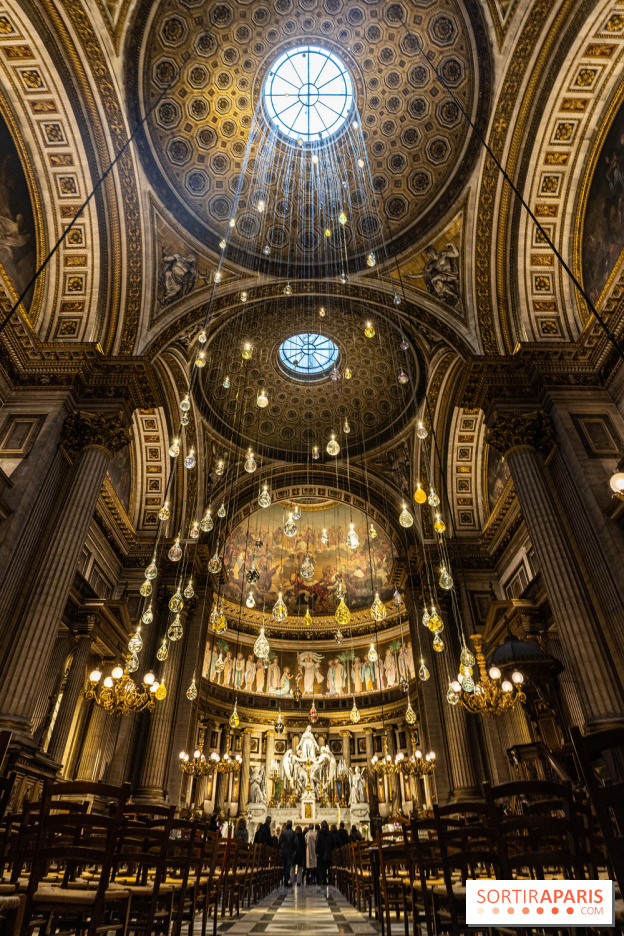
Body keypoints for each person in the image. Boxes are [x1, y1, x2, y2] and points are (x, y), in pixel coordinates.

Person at [279, 819, 298, 887]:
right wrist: (295, 850)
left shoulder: (283, 832)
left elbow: (279, 841)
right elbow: (296, 842)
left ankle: (285, 880)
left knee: (284, 865)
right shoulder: (293, 833)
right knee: (288, 866)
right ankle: (286, 881)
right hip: (290, 851)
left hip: (283, 851)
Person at [315, 820, 332, 886]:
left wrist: (316, 851)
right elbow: (332, 843)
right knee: (325, 867)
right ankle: (325, 880)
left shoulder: (319, 832)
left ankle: (321, 880)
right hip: (328, 852)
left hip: (320, 852)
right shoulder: (329, 833)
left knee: (320, 867)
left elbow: (317, 842)